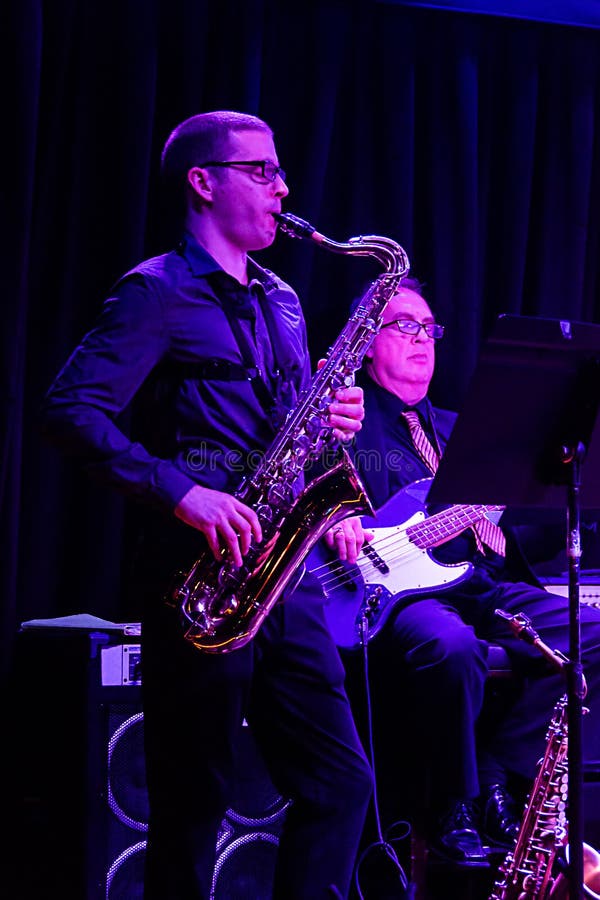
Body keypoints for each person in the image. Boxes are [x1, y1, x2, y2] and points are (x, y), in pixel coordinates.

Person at [40, 110, 373, 899]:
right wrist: (181, 491)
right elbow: (69, 410)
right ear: (203, 182)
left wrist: (334, 423)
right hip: (198, 574)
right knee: (194, 807)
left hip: (285, 575)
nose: (283, 187)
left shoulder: (285, 300)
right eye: (262, 171)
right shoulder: (154, 293)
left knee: (341, 783)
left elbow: (293, 423)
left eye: (280, 171)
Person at [339, 277, 600, 867]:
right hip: (405, 595)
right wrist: (339, 523)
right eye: (403, 325)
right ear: (366, 343)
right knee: (451, 647)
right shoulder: (348, 430)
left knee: (590, 633)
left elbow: (522, 534)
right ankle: (454, 802)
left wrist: (553, 502)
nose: (422, 339)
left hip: (482, 583)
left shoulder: (465, 431)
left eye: (429, 328)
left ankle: (500, 778)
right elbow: (319, 506)